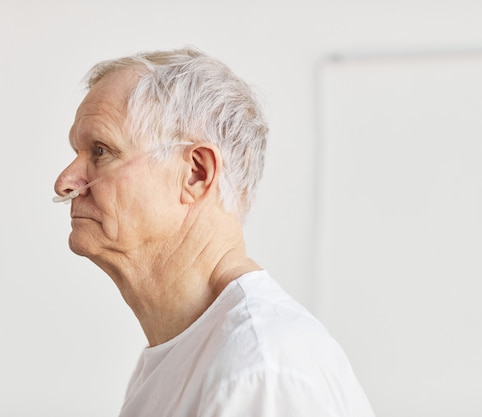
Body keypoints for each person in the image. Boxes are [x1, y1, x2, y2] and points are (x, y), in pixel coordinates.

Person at [53, 47, 375, 417]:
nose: (65, 182)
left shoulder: (258, 369)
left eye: (100, 151)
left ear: (196, 174)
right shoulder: (178, 360)